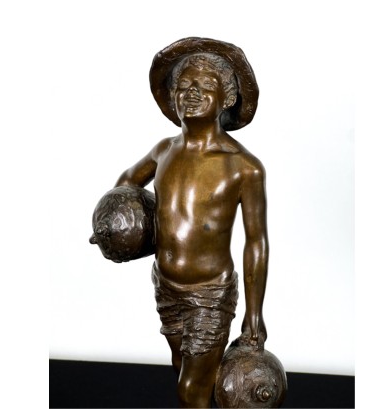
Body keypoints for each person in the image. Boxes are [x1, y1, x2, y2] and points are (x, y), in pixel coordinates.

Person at [114, 37, 268, 408]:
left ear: (227, 98)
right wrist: (119, 227)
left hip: (210, 294)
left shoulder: (243, 167)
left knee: (190, 391)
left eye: (205, 85)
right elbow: (127, 183)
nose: (192, 92)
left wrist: (254, 314)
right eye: (183, 86)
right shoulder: (164, 151)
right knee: (183, 368)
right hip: (166, 285)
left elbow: (256, 242)